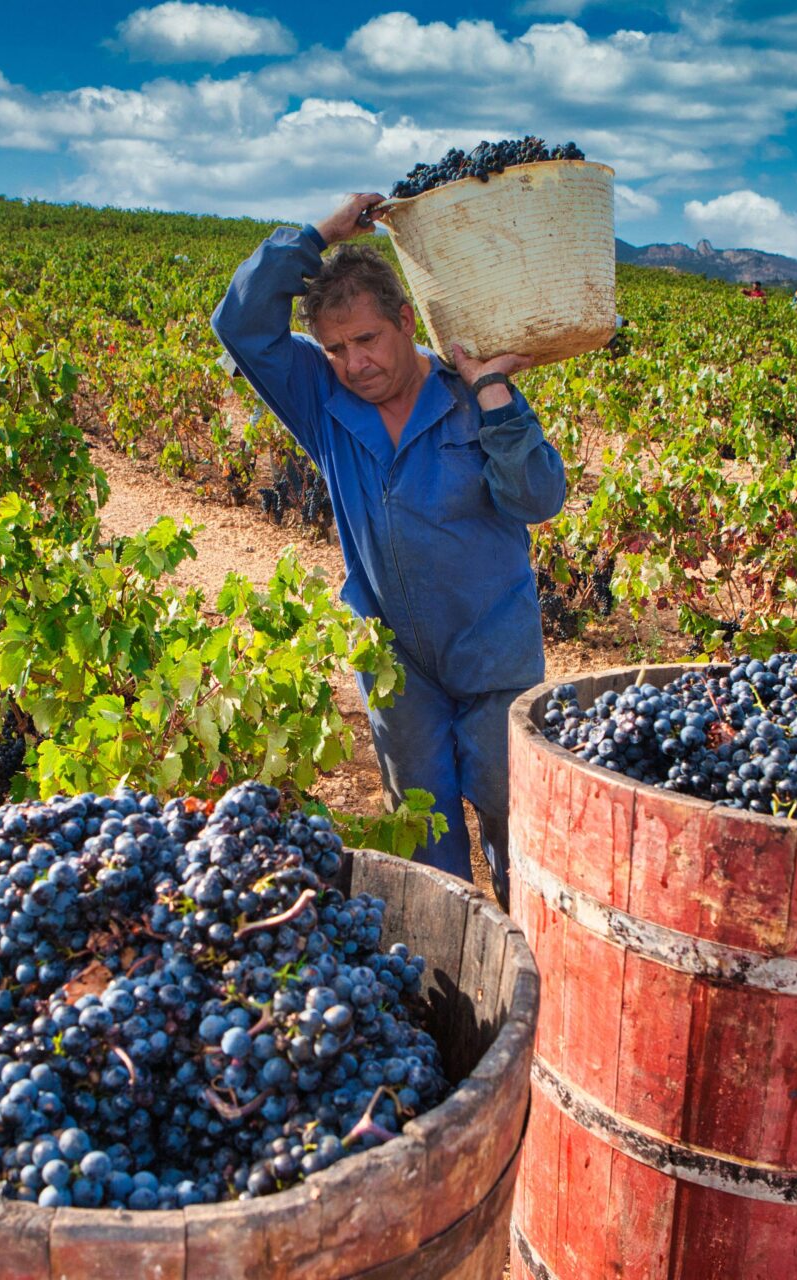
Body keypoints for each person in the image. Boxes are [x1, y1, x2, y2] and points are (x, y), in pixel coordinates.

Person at [210, 192, 566, 904]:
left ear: (407, 321)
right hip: (396, 666)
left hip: (494, 654)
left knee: (513, 819)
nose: (354, 363)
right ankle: (453, 980)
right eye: (336, 348)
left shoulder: (469, 395)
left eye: (368, 340)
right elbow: (240, 325)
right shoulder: (321, 399)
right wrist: (316, 234)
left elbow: (539, 499)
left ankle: (529, 956)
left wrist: (494, 390)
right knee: (425, 832)